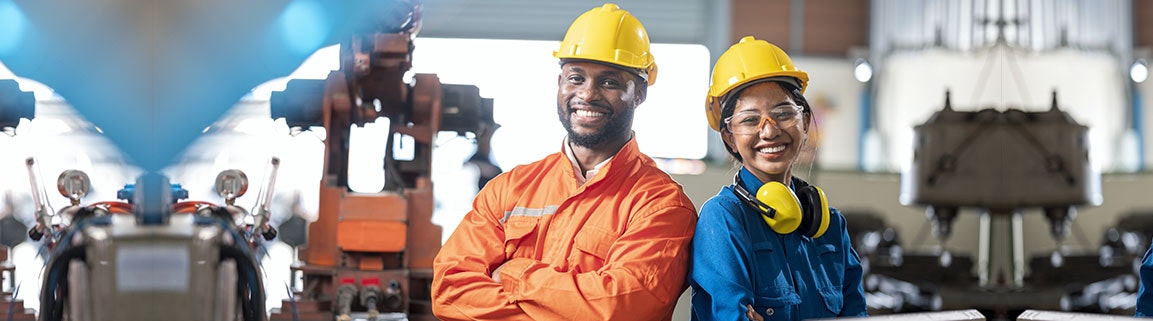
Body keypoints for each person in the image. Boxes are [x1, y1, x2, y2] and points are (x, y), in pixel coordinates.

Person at [430, 3, 697, 320]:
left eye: (609, 82)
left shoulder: (661, 205)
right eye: (576, 78)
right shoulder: (508, 190)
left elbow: (620, 307)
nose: (587, 94)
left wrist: (516, 273)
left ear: (639, 92)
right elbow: (450, 290)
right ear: (559, 82)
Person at [689, 36, 867, 320]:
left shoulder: (831, 226)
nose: (770, 131)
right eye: (750, 119)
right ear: (730, 138)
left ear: (805, 123)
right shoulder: (723, 220)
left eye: (783, 113)